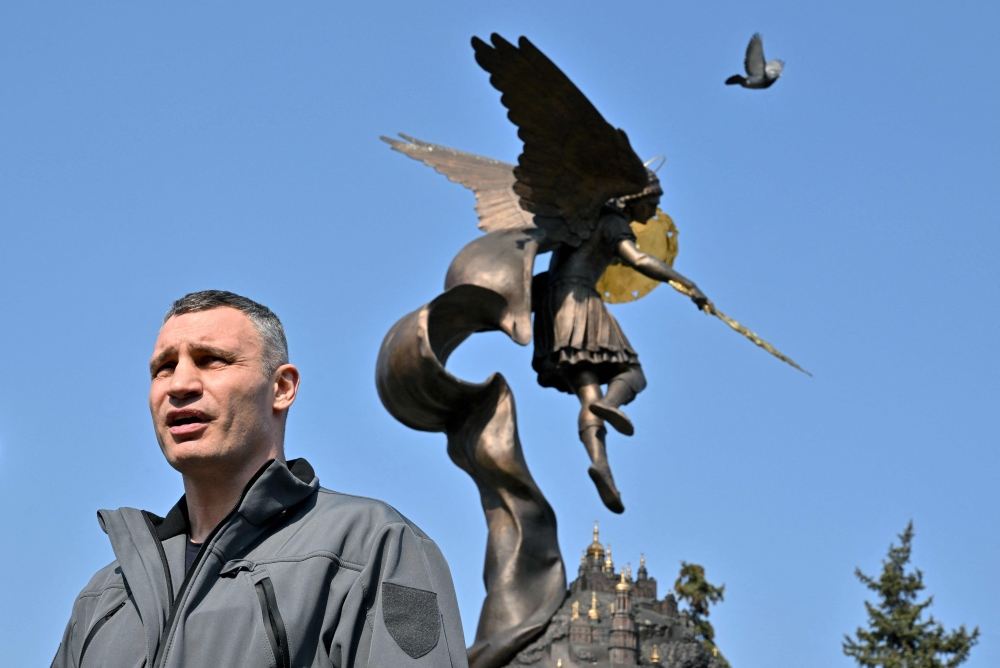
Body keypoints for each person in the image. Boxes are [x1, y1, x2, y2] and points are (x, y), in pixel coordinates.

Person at [52, 290, 469, 668]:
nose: (179, 384)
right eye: (163, 368)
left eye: (210, 359)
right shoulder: (104, 596)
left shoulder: (373, 546)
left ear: (282, 387)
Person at [532, 169, 710, 514]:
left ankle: (602, 466)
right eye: (653, 203)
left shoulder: (583, 220)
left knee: (588, 394)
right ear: (636, 198)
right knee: (634, 373)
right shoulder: (612, 221)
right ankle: (612, 404)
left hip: (552, 308)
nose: (654, 212)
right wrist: (689, 286)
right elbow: (638, 259)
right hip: (580, 300)